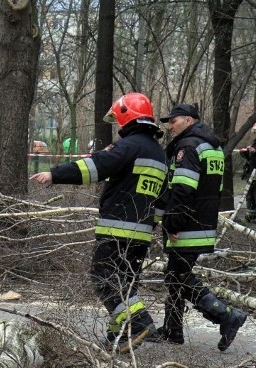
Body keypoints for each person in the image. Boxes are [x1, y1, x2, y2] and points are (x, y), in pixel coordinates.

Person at [30, 92, 166, 351]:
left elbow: (95, 168)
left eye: (119, 119)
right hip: (142, 233)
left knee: (103, 277)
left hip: (117, 228)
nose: (118, 125)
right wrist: (151, 225)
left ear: (128, 116)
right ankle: (120, 337)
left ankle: (140, 323)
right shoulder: (159, 154)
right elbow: (163, 199)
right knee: (125, 285)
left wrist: (55, 174)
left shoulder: (128, 146)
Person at [148, 103, 247, 351]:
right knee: (175, 276)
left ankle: (227, 315)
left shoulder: (188, 147)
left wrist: (172, 222)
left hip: (186, 224)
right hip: (203, 222)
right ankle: (173, 330)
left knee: (179, 277)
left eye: (174, 121)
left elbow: (182, 189)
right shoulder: (211, 145)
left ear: (189, 120)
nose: (170, 126)